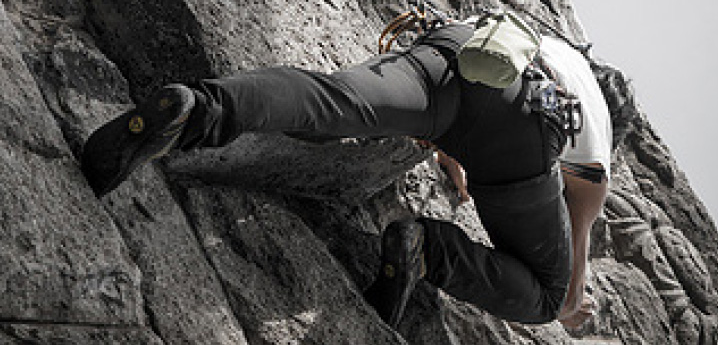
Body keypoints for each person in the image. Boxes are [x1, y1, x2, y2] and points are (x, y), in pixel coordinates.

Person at [79, 16, 612, 329]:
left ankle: (197, 108)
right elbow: (573, 258)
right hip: (521, 126)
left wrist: (451, 148)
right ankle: (427, 251)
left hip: (449, 50)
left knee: (333, 102)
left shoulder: (524, 31)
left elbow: (477, 81)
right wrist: (572, 302)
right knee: (545, 294)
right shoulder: (599, 123)